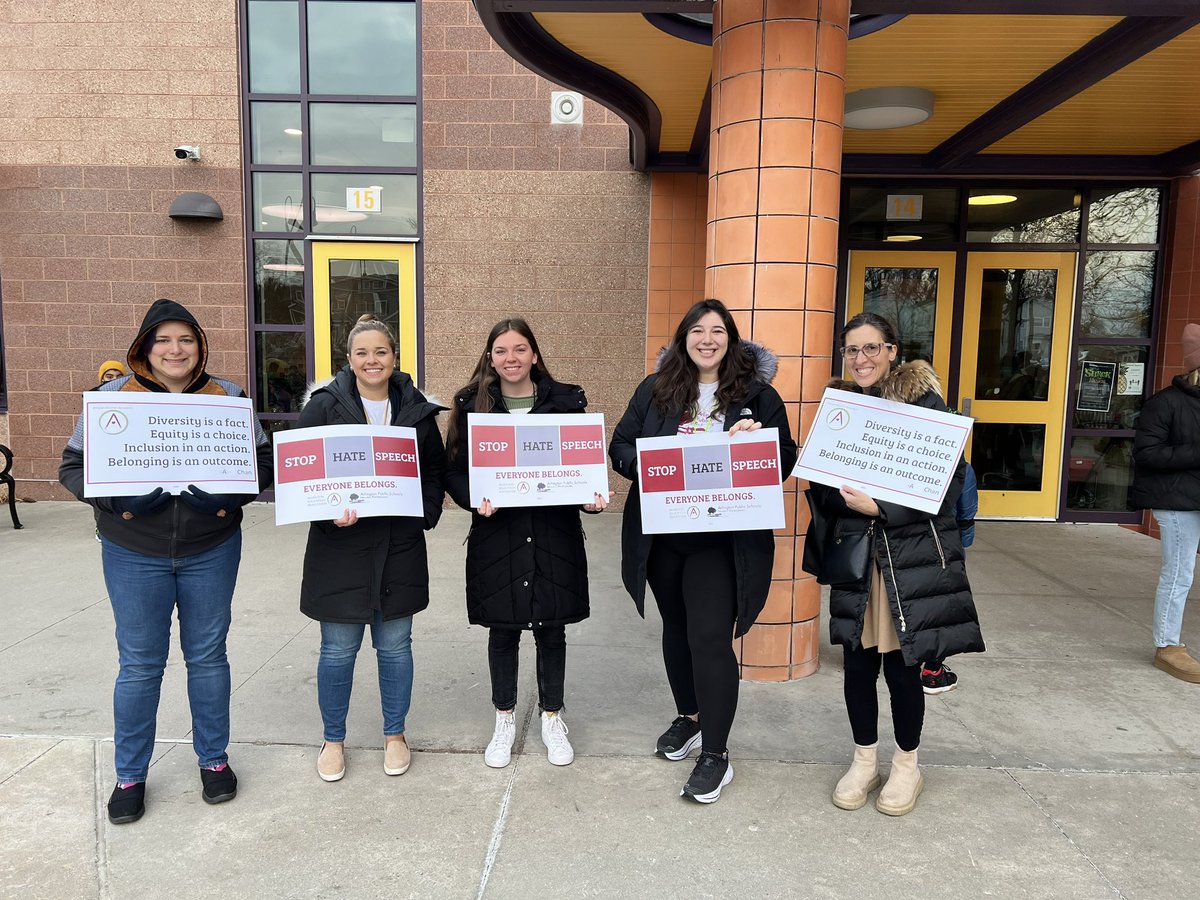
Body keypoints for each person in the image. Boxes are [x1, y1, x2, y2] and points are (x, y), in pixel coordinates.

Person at [59, 298, 274, 825]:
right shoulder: (114, 397)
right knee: (139, 664)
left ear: (200, 345)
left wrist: (226, 498)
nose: (175, 350)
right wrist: (118, 502)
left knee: (208, 657)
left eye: (186, 339)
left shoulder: (227, 396)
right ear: (144, 347)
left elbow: (262, 461)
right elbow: (72, 466)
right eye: (163, 340)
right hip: (135, 551)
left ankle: (214, 760)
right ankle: (130, 774)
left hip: (211, 547)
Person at [610, 299, 797, 804]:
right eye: (697, 330)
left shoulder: (758, 396)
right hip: (665, 537)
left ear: (731, 340)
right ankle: (691, 718)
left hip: (722, 540)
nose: (707, 339)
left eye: (717, 331)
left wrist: (755, 442)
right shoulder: (656, 390)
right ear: (683, 338)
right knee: (676, 631)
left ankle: (716, 752)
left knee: (710, 638)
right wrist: (650, 465)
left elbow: (784, 458)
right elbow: (621, 446)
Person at [807, 312, 983, 816]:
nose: (860, 359)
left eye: (870, 348)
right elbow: (819, 484)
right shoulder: (839, 408)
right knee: (857, 667)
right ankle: (864, 760)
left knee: (904, 667)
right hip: (857, 557)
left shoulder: (926, 407)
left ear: (891, 351)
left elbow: (947, 490)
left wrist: (881, 508)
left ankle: (907, 765)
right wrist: (845, 500)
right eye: (851, 350)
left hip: (909, 560)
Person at [444, 319, 609, 769]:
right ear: (490, 357)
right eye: (501, 351)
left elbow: (583, 467)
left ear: (535, 355)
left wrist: (591, 500)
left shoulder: (566, 401)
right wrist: (474, 499)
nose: (511, 358)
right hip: (498, 534)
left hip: (554, 533)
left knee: (552, 628)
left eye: (520, 349)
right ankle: (504, 717)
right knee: (504, 628)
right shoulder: (471, 403)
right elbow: (453, 470)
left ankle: (553, 717)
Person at [297, 314, 447, 782]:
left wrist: (423, 514)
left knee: (395, 647)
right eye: (362, 353)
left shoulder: (417, 410)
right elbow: (301, 472)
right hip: (339, 550)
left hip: (399, 546)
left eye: (380, 351)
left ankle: (395, 735)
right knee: (338, 650)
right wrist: (327, 512)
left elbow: (435, 473)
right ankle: (333, 739)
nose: (372, 360)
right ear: (348, 360)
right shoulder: (323, 407)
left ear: (395, 356)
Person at [1131, 323, 1200, 684]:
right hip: (1177, 502)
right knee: (1179, 573)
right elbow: (1147, 453)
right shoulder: (1165, 403)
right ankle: (1167, 645)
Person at [921, 461, 978, 695]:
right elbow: (966, 512)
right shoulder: (961, 468)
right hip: (942, 545)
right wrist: (962, 546)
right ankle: (932, 672)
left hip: (897, 545)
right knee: (941, 609)